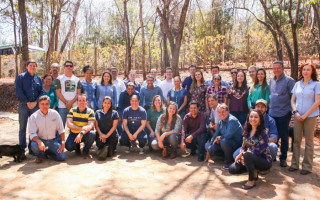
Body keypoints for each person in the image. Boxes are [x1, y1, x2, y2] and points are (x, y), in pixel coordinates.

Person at [230, 99, 278, 174]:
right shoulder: (250, 118)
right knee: (235, 155)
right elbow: (244, 139)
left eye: (262, 107)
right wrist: (243, 153)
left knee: (273, 146)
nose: (260, 109)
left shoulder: (271, 121)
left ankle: (264, 168)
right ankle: (251, 166)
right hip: (249, 147)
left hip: (263, 148)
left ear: (266, 109)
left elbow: (274, 139)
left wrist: (260, 140)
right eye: (258, 106)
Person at [289, 63, 320, 175]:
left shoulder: (316, 85)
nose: (305, 72)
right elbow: (293, 100)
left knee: (309, 141)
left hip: (310, 116)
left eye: (308, 70)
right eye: (304, 70)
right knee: (296, 140)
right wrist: (296, 112)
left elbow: (317, 102)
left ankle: (307, 166)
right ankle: (294, 164)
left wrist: (305, 115)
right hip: (298, 116)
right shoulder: (297, 84)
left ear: (312, 72)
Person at [233, 110, 272, 190]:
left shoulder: (263, 132)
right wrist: (241, 154)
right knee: (232, 169)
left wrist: (244, 155)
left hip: (263, 161)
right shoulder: (247, 130)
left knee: (248, 156)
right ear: (248, 118)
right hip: (249, 157)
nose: (253, 119)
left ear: (260, 119)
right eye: (251, 117)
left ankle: (251, 180)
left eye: (256, 117)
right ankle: (253, 170)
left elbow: (259, 151)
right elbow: (243, 146)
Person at [269, 61, 295, 167]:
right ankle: (273, 155)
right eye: (274, 68)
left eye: (278, 68)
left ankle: (283, 157)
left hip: (284, 112)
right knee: (273, 134)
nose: (276, 70)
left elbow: (293, 97)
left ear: (283, 69)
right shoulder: (271, 80)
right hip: (272, 112)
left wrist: (291, 110)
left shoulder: (289, 81)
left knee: (284, 135)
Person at [15, 60, 43, 157]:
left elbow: (42, 92)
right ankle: (21, 149)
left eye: (34, 66)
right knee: (22, 127)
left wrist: (35, 102)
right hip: (24, 105)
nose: (32, 67)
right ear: (27, 67)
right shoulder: (21, 77)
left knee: (34, 128)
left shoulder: (38, 78)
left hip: (35, 106)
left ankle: (32, 148)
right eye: (30, 65)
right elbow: (18, 90)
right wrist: (27, 102)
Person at [28, 95, 66, 163]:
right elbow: (32, 134)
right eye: (42, 104)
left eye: (46, 104)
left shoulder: (55, 114)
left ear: (49, 105)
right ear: (39, 105)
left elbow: (61, 129)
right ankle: (39, 155)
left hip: (52, 141)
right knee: (34, 145)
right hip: (40, 141)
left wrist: (63, 143)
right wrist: (39, 142)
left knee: (62, 157)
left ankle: (47, 152)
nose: (44, 106)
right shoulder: (34, 117)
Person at [205, 104, 243, 169]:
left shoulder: (232, 120)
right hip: (226, 143)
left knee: (223, 141)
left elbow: (228, 135)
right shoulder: (220, 121)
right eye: (219, 112)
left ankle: (228, 162)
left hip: (237, 144)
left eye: (223, 112)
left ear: (228, 112)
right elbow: (215, 135)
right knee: (208, 147)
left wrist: (219, 138)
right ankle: (226, 156)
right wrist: (209, 148)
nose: (221, 114)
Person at [65, 94, 96, 158]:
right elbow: (69, 124)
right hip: (74, 133)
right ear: (77, 102)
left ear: (86, 102)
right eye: (80, 100)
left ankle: (85, 151)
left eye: (83, 100)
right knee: (69, 147)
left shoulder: (90, 112)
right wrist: (81, 129)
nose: (81, 102)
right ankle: (77, 147)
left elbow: (90, 126)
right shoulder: (72, 110)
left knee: (92, 134)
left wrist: (81, 133)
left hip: (86, 134)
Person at [55, 61, 81, 126]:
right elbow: (58, 92)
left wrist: (71, 103)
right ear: (64, 67)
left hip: (74, 106)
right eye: (67, 66)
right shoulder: (59, 79)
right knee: (60, 126)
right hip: (62, 106)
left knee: (74, 126)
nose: (69, 67)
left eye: (70, 66)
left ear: (73, 68)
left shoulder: (77, 79)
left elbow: (78, 93)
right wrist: (66, 103)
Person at [95, 96, 119, 161]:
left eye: (108, 103)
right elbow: (96, 126)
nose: (107, 105)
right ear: (102, 103)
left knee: (109, 153)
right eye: (105, 103)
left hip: (111, 136)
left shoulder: (114, 113)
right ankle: (101, 150)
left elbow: (114, 127)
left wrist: (106, 136)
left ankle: (105, 151)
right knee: (101, 143)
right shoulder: (97, 112)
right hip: (101, 135)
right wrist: (101, 134)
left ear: (111, 104)